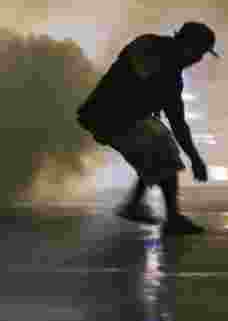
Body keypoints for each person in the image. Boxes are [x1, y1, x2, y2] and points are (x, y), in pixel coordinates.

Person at [77, 21, 219, 236]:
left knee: (157, 148)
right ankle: (170, 218)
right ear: (188, 47)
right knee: (162, 147)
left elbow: (179, 123)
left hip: (121, 118)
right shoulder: (149, 46)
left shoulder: (172, 78)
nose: (198, 60)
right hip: (108, 115)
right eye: (199, 53)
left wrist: (195, 158)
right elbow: (139, 74)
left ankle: (137, 206)